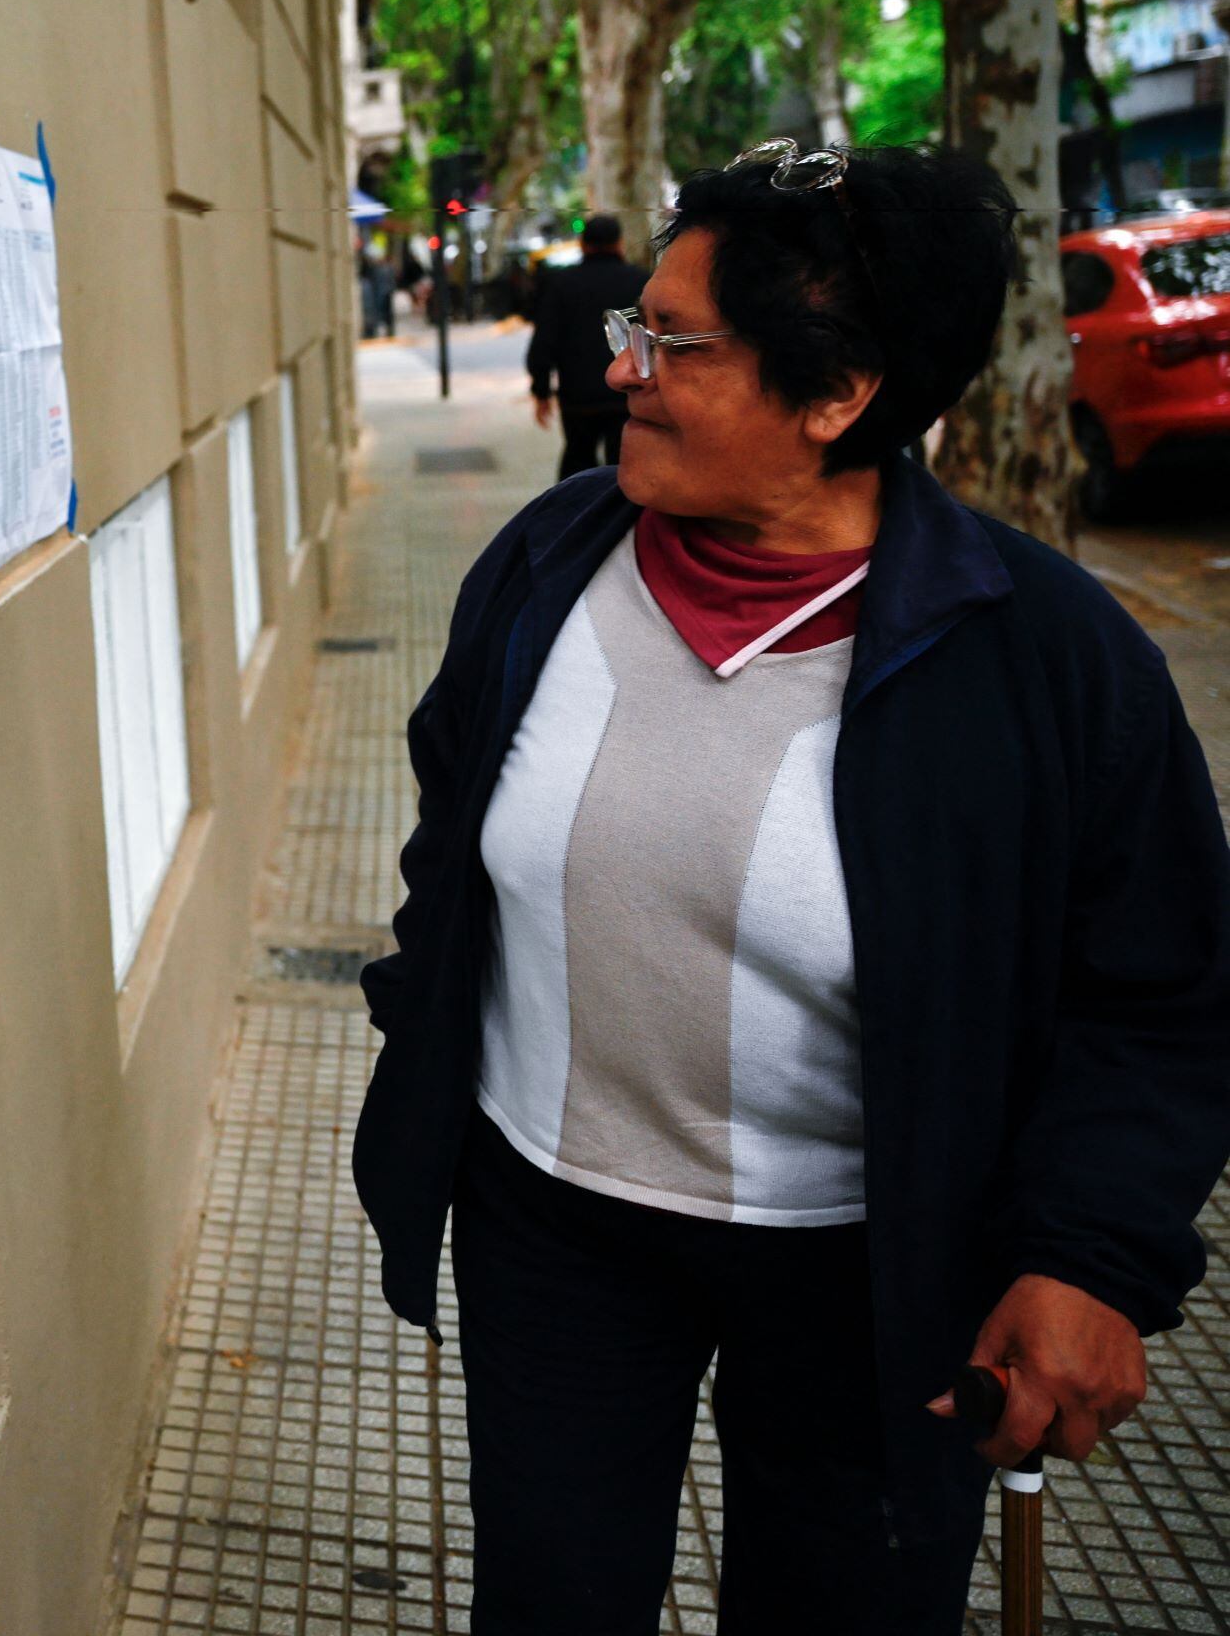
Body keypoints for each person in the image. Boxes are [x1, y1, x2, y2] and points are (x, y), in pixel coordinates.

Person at [352, 140, 1230, 1633]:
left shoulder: (1048, 664)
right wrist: (421, 1028)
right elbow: (454, 837)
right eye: (638, 328)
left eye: (674, 346)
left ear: (838, 396)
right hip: (553, 1235)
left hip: (872, 1281)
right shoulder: (547, 563)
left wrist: (1088, 1255)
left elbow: (1160, 1000)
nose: (622, 370)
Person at [528, 213, 650, 478]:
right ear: (619, 243)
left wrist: (541, 390)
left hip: (577, 397)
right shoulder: (640, 282)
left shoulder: (561, 284)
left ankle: (577, 514)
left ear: (583, 244)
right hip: (627, 393)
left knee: (577, 460)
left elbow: (544, 340)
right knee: (623, 464)